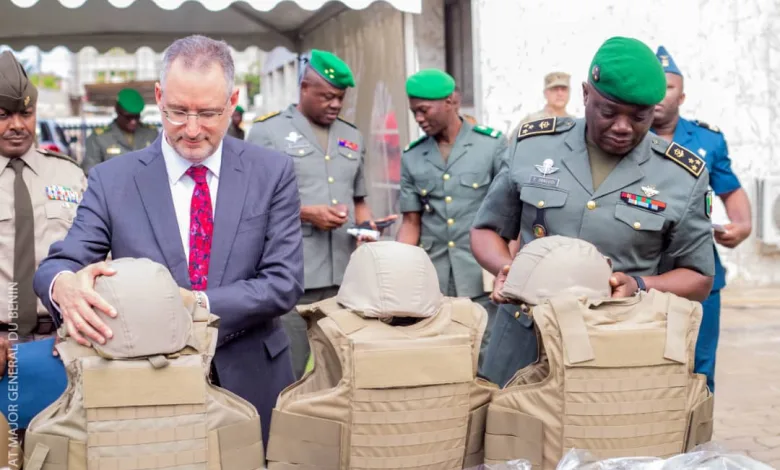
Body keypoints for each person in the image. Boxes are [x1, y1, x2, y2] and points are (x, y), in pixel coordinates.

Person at [32, 34, 304, 450]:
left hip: (254, 381)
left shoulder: (272, 172)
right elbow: (61, 263)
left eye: (209, 114)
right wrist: (63, 285)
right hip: (149, 389)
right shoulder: (113, 180)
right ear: (159, 97)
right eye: (178, 112)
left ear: (232, 102)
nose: (192, 130)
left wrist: (193, 305)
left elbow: (283, 282)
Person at [470, 36, 715, 387]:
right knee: (509, 438)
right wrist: (507, 269)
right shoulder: (531, 145)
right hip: (524, 341)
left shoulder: (680, 175)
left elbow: (699, 277)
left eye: (639, 117)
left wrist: (641, 284)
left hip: (618, 347)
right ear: (586, 95)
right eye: (609, 111)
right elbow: (486, 229)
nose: (622, 127)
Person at [246, 49, 396, 379]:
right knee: (287, 369)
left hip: (345, 277)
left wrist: (367, 229)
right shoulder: (266, 133)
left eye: (340, 98)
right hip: (290, 274)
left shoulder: (351, 136)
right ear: (304, 89)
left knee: (343, 370)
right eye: (327, 97)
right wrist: (304, 213)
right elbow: (249, 205)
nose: (335, 105)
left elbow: (359, 199)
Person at [0, 49, 86, 469]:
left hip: (60, 347)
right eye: (2, 114)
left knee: (62, 456)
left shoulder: (69, 175)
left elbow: (96, 260)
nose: (17, 125)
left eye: (26, 113)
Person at [652, 46, 752, 393]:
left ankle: (696, 443)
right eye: (653, 85)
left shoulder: (707, 140)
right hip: (641, 268)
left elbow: (730, 188)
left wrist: (742, 224)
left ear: (682, 95)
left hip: (698, 268)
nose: (659, 95)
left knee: (699, 366)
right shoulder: (624, 137)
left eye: (668, 87)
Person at [395, 68, 506, 366]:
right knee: (440, 357)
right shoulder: (412, 156)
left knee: (486, 354)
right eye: (413, 111)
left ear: (451, 101)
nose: (418, 118)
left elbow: (512, 214)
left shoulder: (491, 145)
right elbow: (410, 222)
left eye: (423, 110)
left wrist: (510, 267)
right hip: (434, 277)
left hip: (481, 273)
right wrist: (397, 273)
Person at [82, 88, 159, 174]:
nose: (133, 121)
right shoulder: (99, 138)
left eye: (136, 116)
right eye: (128, 117)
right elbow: (90, 173)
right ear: (117, 110)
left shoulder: (151, 134)